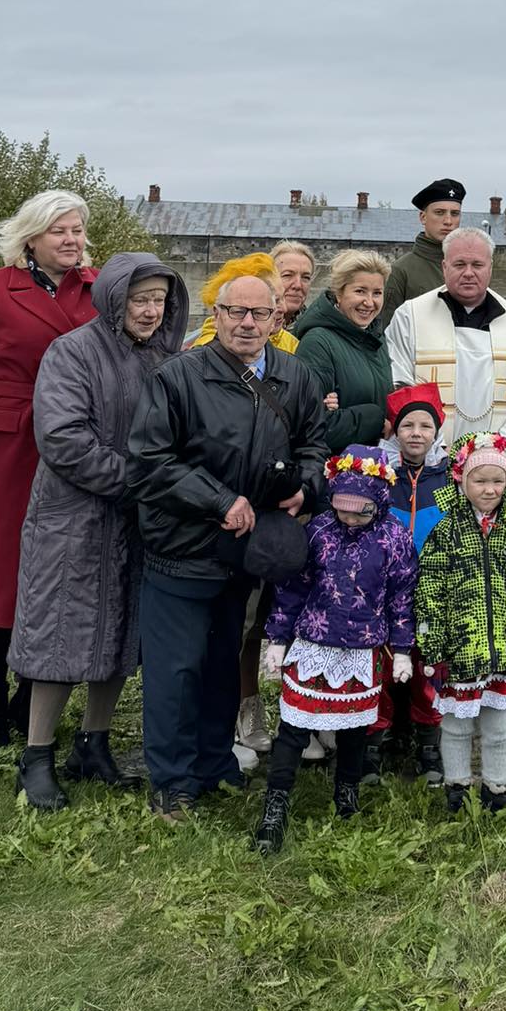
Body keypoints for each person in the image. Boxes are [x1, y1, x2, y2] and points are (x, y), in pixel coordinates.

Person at [126, 267, 328, 820]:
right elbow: (148, 464)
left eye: (258, 313)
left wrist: (305, 488)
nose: (246, 322)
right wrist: (219, 501)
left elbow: (315, 443)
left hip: (247, 552)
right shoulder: (177, 377)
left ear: (276, 318)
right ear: (215, 316)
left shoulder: (294, 375)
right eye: (234, 312)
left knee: (221, 661)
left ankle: (213, 763)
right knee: (176, 668)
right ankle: (171, 782)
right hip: (182, 547)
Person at [9, 252, 189, 809]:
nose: (151, 310)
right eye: (140, 299)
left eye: (160, 300)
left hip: (137, 522)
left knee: (120, 633)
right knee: (63, 632)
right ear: (113, 297)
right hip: (74, 519)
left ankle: (94, 745)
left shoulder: (165, 357)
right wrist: (145, 481)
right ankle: (35, 756)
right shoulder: (72, 352)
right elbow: (63, 438)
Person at [0, 189, 100, 752]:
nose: (71, 240)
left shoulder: (98, 289)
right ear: (30, 237)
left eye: (77, 230)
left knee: (54, 573)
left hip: (73, 451)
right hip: (5, 451)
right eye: (59, 230)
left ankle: (29, 693)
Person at [253, 448, 417, 852]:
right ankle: (276, 803)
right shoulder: (320, 532)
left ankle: (347, 794)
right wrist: (277, 638)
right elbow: (293, 588)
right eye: (343, 509)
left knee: (354, 730)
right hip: (313, 643)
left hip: (361, 650)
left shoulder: (394, 538)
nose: (349, 519)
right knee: (293, 727)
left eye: (359, 512)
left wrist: (401, 650)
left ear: (379, 501)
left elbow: (401, 597)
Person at [414, 432, 506, 814]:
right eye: (480, 480)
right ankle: (457, 786)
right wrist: (433, 648)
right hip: (460, 652)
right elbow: (429, 594)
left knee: (499, 724)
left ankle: (496, 788)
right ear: (462, 479)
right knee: (456, 724)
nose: (489, 490)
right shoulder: (446, 533)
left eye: (498, 481)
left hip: (504, 651)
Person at [385, 228, 506, 510]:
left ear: (490, 267)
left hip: (495, 470)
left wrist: (502, 449)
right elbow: (399, 380)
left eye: (477, 265)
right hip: (430, 464)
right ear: (444, 266)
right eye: (459, 264)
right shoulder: (411, 317)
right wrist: (432, 448)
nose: (468, 273)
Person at [376, 382, 454, 786]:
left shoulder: (449, 479)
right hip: (385, 594)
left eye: (426, 425)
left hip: (431, 592)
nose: (417, 433)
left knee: (427, 671)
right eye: (408, 425)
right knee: (383, 665)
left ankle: (428, 742)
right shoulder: (381, 475)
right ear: (395, 431)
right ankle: (377, 738)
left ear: (436, 432)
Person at [292, 251, 393, 453]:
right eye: (360, 291)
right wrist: (375, 421)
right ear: (339, 293)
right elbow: (314, 425)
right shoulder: (317, 342)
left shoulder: (376, 339)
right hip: (337, 473)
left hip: (377, 467)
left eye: (377, 293)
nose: (369, 302)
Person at [382, 179, 465, 322]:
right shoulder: (401, 271)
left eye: (455, 213)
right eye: (439, 212)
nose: (448, 221)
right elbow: (385, 329)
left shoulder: (470, 268)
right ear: (423, 217)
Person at [189, 253, 299, 354]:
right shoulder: (206, 352)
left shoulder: (290, 343)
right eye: (275, 301)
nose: (284, 309)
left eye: (283, 297)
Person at [271, 244, 316, 334]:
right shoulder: (253, 329)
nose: (298, 285)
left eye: (305, 277)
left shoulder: (313, 331)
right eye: (287, 275)